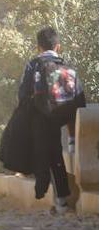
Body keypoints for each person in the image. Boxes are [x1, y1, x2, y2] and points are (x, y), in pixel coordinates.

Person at [17, 26, 86, 211]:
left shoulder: (33, 65)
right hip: (61, 116)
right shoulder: (67, 67)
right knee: (55, 153)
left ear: (38, 47)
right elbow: (79, 99)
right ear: (58, 47)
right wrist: (72, 136)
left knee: (47, 153)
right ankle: (60, 200)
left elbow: (23, 94)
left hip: (40, 116)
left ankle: (54, 197)